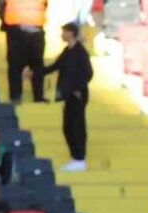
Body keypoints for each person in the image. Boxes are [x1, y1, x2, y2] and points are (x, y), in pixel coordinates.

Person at [44, 22, 92, 172]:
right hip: (68, 94)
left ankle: (79, 158)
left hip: (77, 95)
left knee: (76, 126)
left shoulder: (80, 52)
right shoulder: (67, 51)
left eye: (64, 32)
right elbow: (55, 66)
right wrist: (36, 73)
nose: (62, 35)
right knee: (68, 126)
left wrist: (78, 88)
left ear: (71, 33)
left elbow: (88, 73)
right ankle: (75, 157)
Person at [0, 0, 47, 104]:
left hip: (16, 30)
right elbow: (45, 5)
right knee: (37, 65)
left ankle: (16, 97)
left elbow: (0, 6)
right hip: (36, 30)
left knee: (15, 66)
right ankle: (38, 97)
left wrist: (6, 21)